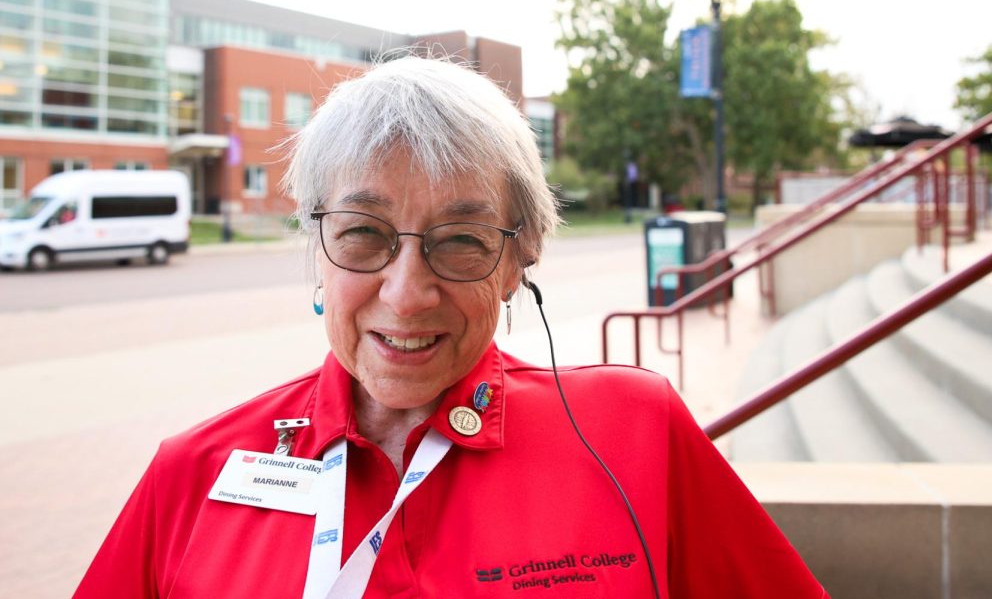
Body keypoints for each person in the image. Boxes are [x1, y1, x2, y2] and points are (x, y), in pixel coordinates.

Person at [74, 55, 826, 598]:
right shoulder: (193, 474)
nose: (406, 294)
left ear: (517, 262)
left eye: (461, 241)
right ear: (316, 248)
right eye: (364, 233)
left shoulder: (635, 436)